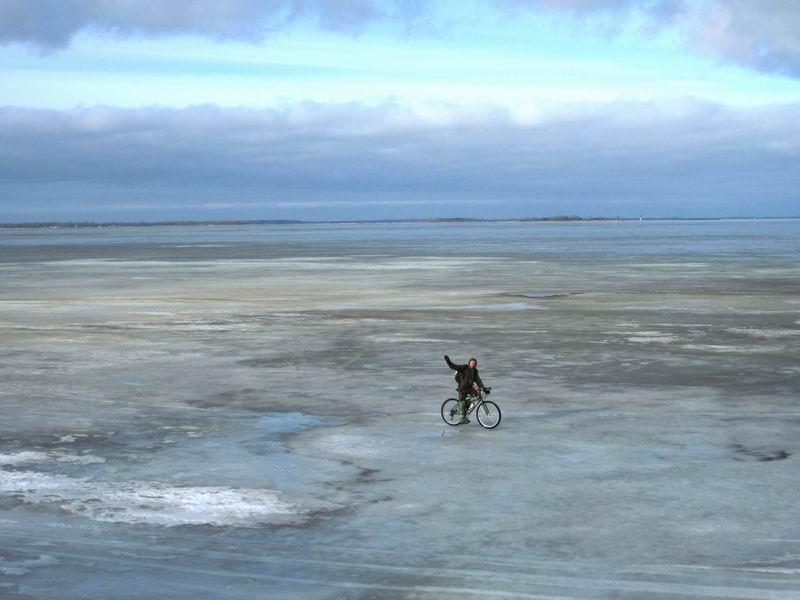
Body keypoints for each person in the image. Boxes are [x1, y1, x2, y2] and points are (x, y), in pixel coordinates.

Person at [444, 354, 487, 424]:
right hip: (462, 388)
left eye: (474, 364)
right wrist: (449, 362)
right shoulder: (464, 367)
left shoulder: (475, 371)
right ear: (469, 362)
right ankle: (462, 418)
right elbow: (455, 367)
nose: (473, 364)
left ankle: (466, 406)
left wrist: (483, 388)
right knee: (462, 402)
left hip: (470, 388)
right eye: (472, 363)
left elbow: (478, 380)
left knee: (478, 396)